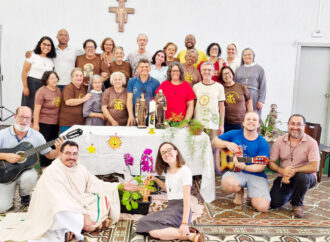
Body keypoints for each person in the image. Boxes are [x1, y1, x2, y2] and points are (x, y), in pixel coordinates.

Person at [0, 140, 138, 241]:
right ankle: (71, 229)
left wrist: (120, 186)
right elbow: (57, 198)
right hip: (56, 208)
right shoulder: (53, 170)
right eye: (68, 153)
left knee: (101, 198)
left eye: (75, 154)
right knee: (62, 215)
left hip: (75, 202)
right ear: (60, 154)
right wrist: (83, 213)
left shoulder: (80, 168)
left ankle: (72, 229)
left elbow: (97, 184)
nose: (71, 157)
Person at [136, 142, 205, 242]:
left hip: (180, 209)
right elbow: (169, 190)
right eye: (163, 152)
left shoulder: (185, 171)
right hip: (171, 207)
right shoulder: (168, 170)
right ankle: (180, 232)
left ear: (176, 152)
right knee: (144, 222)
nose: (166, 154)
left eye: (169, 150)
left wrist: (184, 223)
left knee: (154, 231)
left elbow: (187, 200)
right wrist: (155, 179)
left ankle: (189, 235)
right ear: (161, 157)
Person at [0, 106, 61, 213]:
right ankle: (9, 194)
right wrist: (5, 156)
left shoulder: (37, 136)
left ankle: (25, 196)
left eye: (27, 118)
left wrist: (59, 150)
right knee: (2, 208)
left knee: (30, 177)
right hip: (5, 173)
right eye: (21, 117)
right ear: (15, 117)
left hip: (25, 172)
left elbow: (49, 154)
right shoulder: (3, 134)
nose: (24, 121)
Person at [212, 111, 270, 212]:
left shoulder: (262, 143)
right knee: (228, 183)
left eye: (254, 120)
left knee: (262, 207)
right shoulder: (234, 134)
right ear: (243, 123)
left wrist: (245, 166)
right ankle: (239, 192)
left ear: (259, 124)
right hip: (237, 172)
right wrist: (227, 144)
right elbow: (214, 141)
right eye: (248, 119)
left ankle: (253, 194)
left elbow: (261, 166)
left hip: (257, 175)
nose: (251, 121)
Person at [268, 114, 319, 218]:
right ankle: (293, 192)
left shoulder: (311, 142)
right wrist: (282, 171)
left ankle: (297, 204)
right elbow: (271, 162)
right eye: (292, 124)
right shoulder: (279, 141)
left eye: (299, 124)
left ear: (304, 126)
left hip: (306, 176)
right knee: (274, 203)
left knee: (301, 178)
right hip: (284, 176)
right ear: (288, 125)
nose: (295, 127)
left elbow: (314, 167)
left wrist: (292, 171)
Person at [33, 71, 61, 167]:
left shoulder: (58, 90)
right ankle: (43, 167)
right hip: (44, 123)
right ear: (46, 80)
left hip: (55, 123)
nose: (55, 80)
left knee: (54, 145)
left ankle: (51, 167)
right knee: (45, 146)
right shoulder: (41, 91)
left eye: (55, 77)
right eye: (52, 78)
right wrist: (36, 124)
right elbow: (36, 110)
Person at [21, 36, 56, 112]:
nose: (46, 47)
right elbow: (24, 71)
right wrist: (25, 87)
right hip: (31, 85)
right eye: (44, 44)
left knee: (40, 110)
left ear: (51, 47)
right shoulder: (32, 56)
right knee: (28, 109)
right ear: (40, 44)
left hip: (44, 86)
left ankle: (37, 124)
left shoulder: (51, 60)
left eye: (49, 45)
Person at [193, 62, 225, 138]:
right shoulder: (196, 87)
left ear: (213, 72)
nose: (207, 72)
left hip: (213, 124)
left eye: (209, 70)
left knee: (214, 148)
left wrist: (221, 125)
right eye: (204, 70)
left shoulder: (219, 87)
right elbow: (193, 106)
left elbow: (222, 107)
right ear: (201, 72)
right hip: (199, 124)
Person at [219, 66, 253, 132]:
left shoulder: (241, 87)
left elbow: (249, 101)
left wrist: (250, 117)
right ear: (222, 77)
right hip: (226, 123)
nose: (227, 76)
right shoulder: (221, 88)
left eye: (228, 73)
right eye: (224, 74)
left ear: (232, 74)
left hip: (241, 122)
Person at [127, 59, 160, 126]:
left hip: (150, 117)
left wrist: (156, 117)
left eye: (146, 67)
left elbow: (157, 101)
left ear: (150, 68)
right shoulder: (132, 81)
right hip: (135, 116)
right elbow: (129, 99)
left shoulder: (156, 82)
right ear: (138, 69)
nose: (144, 68)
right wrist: (130, 115)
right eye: (142, 67)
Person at [235, 48, 266, 114]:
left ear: (253, 56)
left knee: (253, 116)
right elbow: (235, 84)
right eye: (245, 55)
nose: (247, 56)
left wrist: (261, 100)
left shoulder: (259, 69)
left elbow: (263, 85)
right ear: (242, 57)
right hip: (241, 96)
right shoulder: (238, 69)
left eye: (249, 54)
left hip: (254, 96)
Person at [59, 68, 91, 133]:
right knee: (66, 142)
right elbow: (68, 102)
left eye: (81, 76)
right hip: (68, 123)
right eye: (76, 76)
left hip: (80, 124)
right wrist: (84, 99)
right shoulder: (69, 88)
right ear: (72, 77)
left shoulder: (84, 87)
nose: (79, 78)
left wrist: (90, 85)